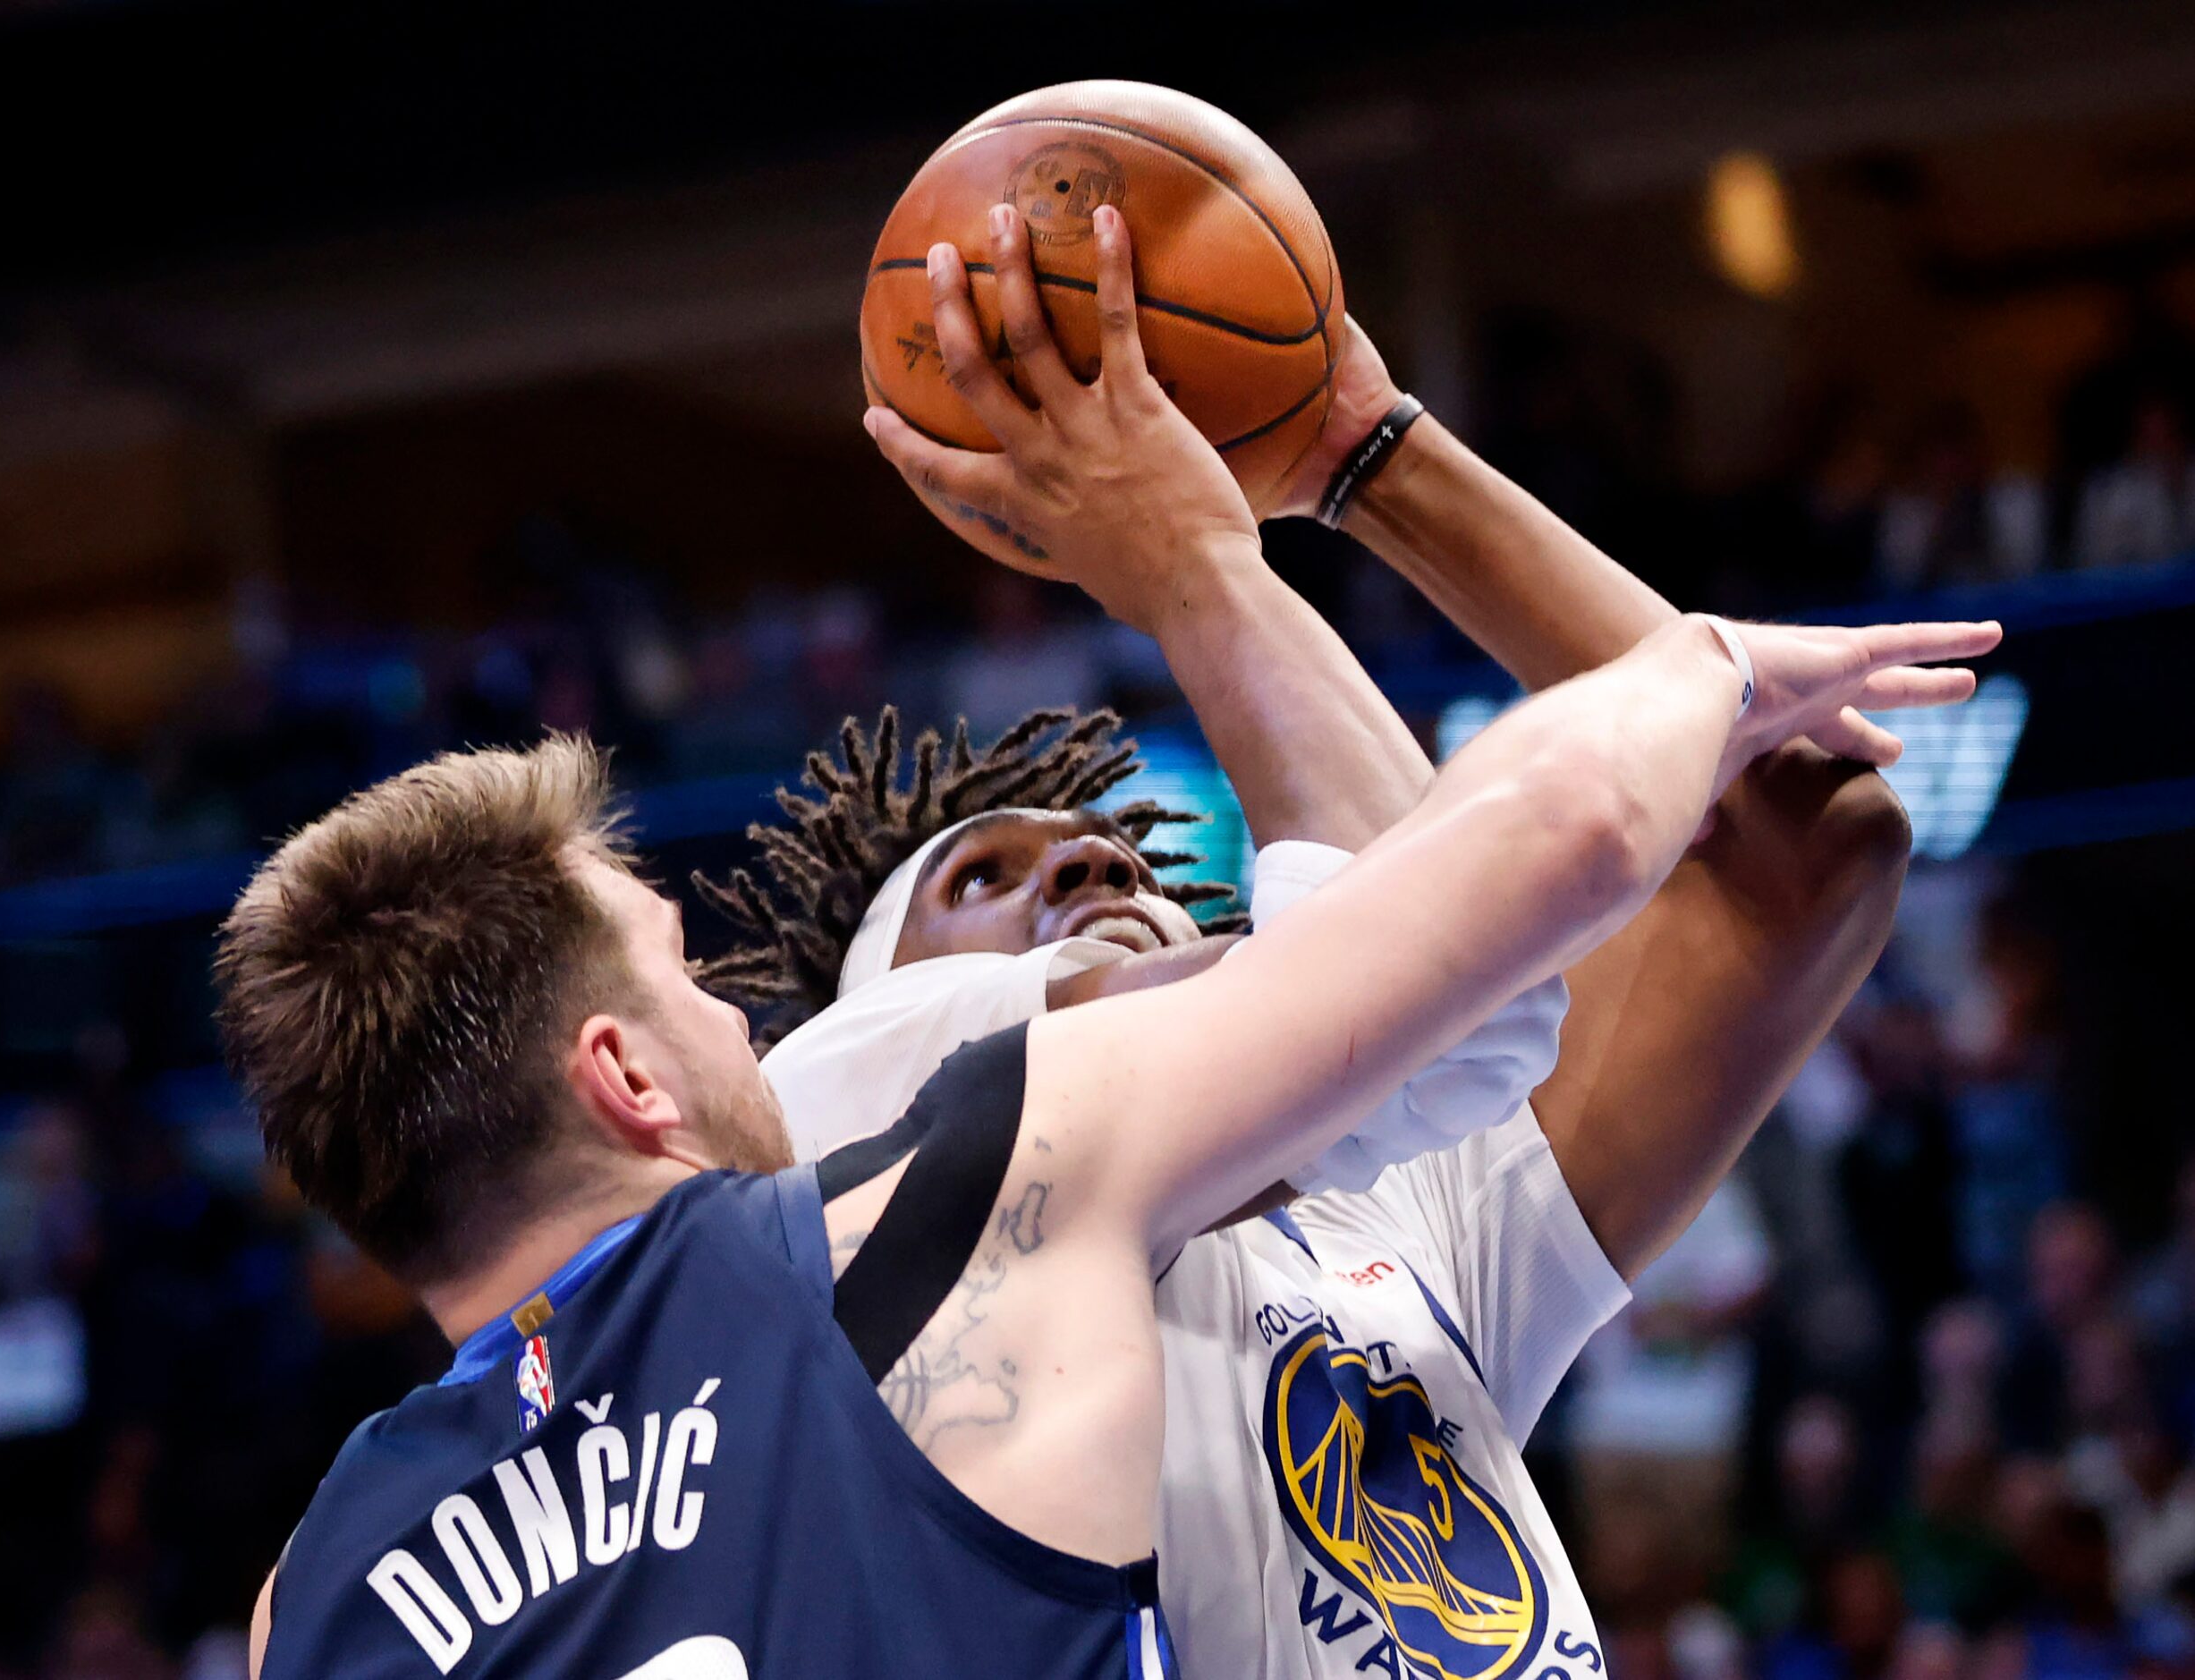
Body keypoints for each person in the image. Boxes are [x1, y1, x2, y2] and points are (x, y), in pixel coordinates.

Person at [219, 207, 1991, 1680]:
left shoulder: (1395, 1228)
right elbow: (1497, 895)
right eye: (992, 886)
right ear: (849, 1037)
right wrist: (1200, 559)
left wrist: (1369, 462)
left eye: (1119, 869)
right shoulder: (864, 1173)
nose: (1089, 890)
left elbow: (1808, 839)